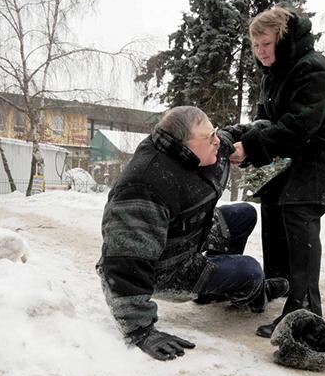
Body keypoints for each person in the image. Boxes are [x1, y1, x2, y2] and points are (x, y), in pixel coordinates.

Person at [96, 106, 289, 361]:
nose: (217, 141)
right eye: (209, 137)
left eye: (214, 133)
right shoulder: (143, 187)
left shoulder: (210, 147)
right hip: (166, 268)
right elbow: (123, 264)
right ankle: (255, 295)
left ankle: (216, 290)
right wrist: (139, 330)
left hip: (188, 232)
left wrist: (270, 133)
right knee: (251, 270)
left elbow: (237, 133)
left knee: (245, 214)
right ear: (183, 146)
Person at [229, 6, 325, 338]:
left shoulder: (312, 69)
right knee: (272, 197)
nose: (261, 52)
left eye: (266, 44)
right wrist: (236, 137)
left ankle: (304, 309)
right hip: (311, 148)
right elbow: (266, 123)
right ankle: (280, 282)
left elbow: (297, 126)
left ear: (282, 39)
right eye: (255, 46)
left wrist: (252, 147)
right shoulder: (273, 75)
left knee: (298, 208)